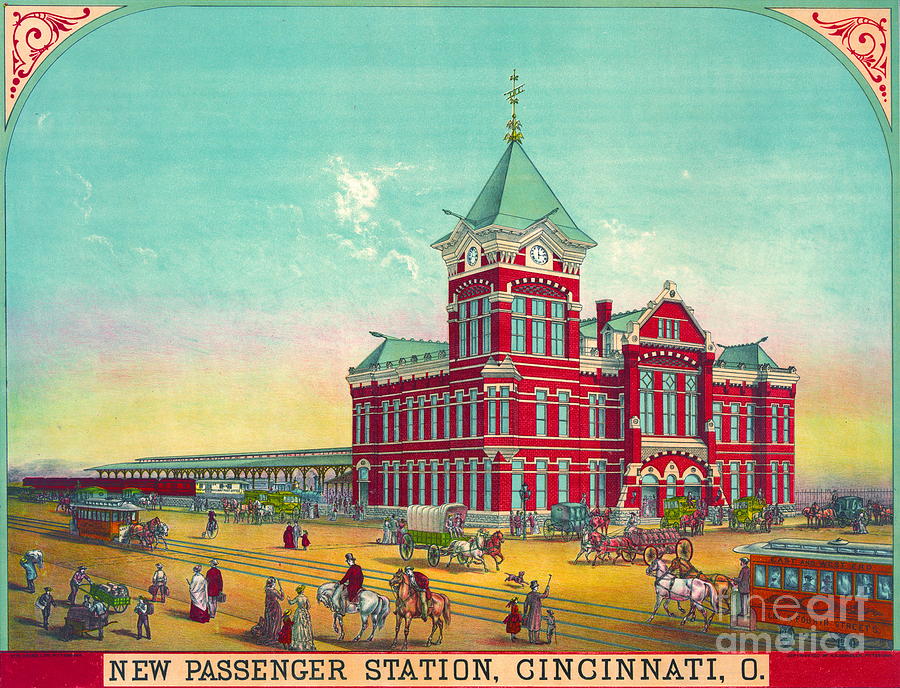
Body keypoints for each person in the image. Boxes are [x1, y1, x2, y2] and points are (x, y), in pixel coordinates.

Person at [250, 577, 284, 644]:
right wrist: (282, 591)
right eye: (274, 583)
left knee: (269, 621)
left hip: (269, 607)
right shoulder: (274, 591)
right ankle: (273, 635)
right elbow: (282, 598)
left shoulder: (267, 589)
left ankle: (269, 633)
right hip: (274, 607)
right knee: (275, 621)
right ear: (273, 584)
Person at [288, 584, 316, 650]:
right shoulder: (305, 598)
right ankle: (306, 644)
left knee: (298, 627)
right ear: (302, 591)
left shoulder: (297, 598)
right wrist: (305, 609)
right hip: (305, 613)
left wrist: (289, 599)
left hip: (299, 613)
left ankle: (298, 644)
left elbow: (291, 603)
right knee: (305, 627)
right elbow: (308, 606)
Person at [523, 579, 551, 644]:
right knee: (537, 625)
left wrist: (525, 612)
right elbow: (545, 595)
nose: (538, 587)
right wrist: (547, 589)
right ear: (534, 587)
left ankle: (531, 640)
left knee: (531, 625)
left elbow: (525, 604)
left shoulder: (529, 594)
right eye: (537, 586)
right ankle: (536, 640)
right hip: (537, 612)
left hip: (531, 611)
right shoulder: (537, 594)